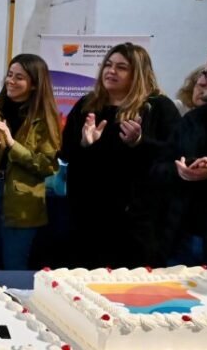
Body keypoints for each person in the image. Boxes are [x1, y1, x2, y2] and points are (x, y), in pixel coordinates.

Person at [60, 43, 179, 269]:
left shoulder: (157, 108)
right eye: (108, 64)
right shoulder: (88, 105)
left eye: (121, 67)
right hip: (89, 217)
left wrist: (139, 143)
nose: (111, 71)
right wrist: (85, 144)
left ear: (138, 74)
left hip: (134, 222)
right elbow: (65, 153)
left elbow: (174, 155)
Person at [0, 54, 60, 270]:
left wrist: (12, 144)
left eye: (19, 78)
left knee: (14, 265)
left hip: (22, 201)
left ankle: (15, 305)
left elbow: (47, 166)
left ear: (34, 84)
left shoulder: (46, 117)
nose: (11, 81)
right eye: (9, 75)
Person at [156, 45, 207, 277]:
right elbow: (158, 167)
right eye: (204, 72)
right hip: (182, 243)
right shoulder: (193, 121)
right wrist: (183, 168)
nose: (202, 80)